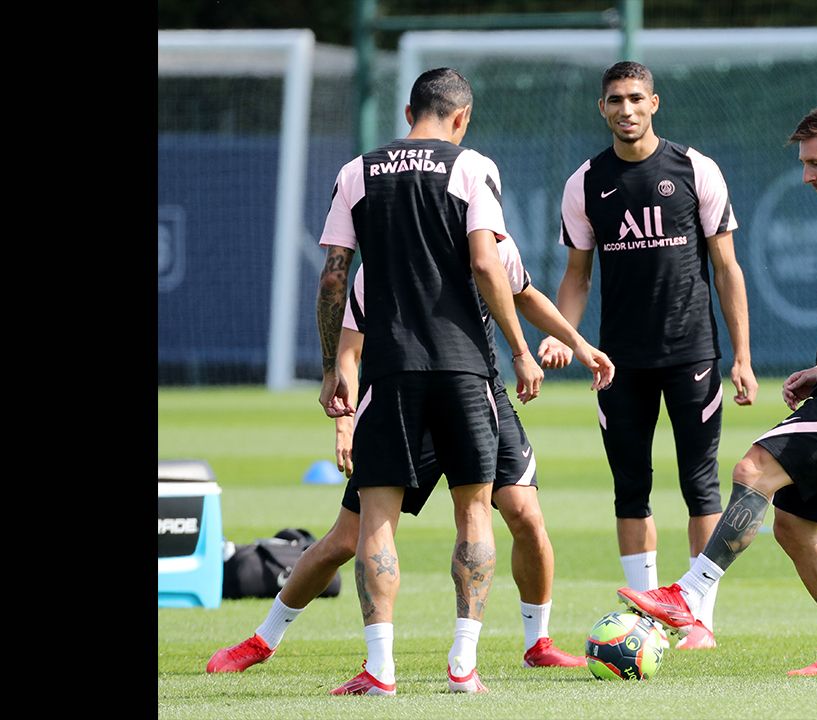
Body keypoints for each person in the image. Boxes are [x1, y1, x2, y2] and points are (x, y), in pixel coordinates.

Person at [618, 103, 817, 675]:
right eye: (803, 163)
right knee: (795, 527)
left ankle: (688, 595)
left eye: (816, 163)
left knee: (752, 470)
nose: (806, 175)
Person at [313, 68, 612, 696]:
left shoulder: (356, 172)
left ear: (407, 112)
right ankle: (462, 665)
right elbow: (485, 262)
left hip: (389, 368)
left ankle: (380, 669)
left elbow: (335, 279)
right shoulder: (472, 167)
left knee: (377, 520)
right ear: (462, 117)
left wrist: (329, 369)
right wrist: (521, 353)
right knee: (475, 511)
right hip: (465, 367)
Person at [206, 245, 601, 682]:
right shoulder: (384, 261)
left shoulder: (491, 245)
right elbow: (350, 351)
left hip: (477, 394)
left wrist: (578, 344)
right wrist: (346, 422)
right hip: (404, 401)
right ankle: (264, 639)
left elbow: (525, 293)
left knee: (525, 514)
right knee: (344, 539)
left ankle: (537, 643)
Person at [538, 61, 758, 650]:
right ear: (602, 108)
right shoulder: (584, 182)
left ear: (654, 103)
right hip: (619, 362)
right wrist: (564, 335)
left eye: (636, 98)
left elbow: (727, 267)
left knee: (701, 485)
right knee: (630, 488)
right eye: (615, 100)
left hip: (693, 353)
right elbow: (577, 276)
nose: (626, 109)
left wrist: (742, 355)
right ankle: (649, 620)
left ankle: (697, 619)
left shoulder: (695, 168)